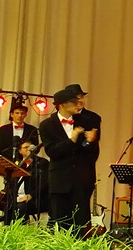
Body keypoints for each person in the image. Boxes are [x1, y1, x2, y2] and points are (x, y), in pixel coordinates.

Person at [39, 86, 99, 230]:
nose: (78, 105)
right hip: (60, 180)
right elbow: (52, 151)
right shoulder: (46, 125)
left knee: (81, 222)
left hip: (81, 179)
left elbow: (90, 152)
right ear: (62, 104)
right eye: (74, 102)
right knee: (60, 222)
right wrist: (71, 140)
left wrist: (89, 142)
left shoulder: (86, 121)